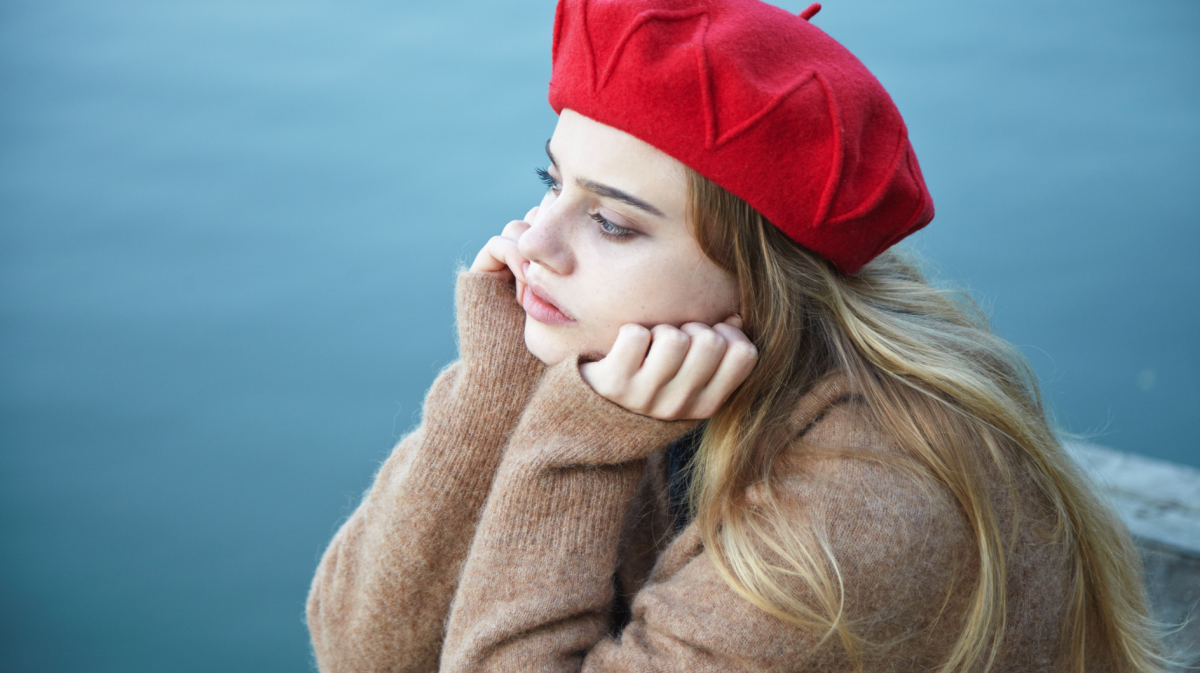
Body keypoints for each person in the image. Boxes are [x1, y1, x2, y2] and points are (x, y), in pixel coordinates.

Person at [306, 1, 1171, 671]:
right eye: (552, 179)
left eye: (611, 222)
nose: (530, 242)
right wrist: (494, 388)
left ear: (758, 283)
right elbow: (360, 650)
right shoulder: (623, 350)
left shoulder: (863, 512)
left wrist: (576, 451)